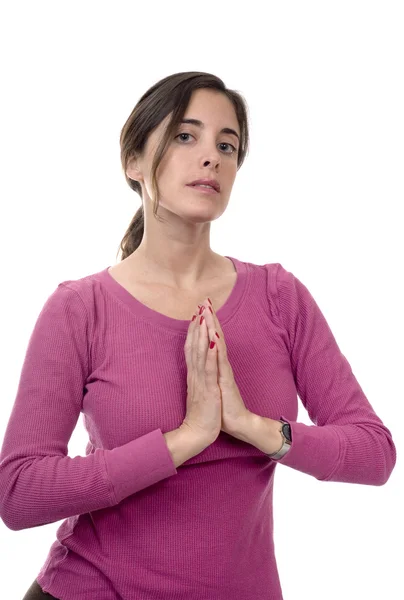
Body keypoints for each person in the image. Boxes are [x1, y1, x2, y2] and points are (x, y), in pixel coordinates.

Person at [0, 71, 397, 600]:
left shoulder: (279, 295)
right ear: (133, 162)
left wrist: (250, 426)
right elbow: (19, 492)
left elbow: (375, 453)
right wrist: (186, 439)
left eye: (226, 145)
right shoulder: (80, 308)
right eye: (186, 136)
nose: (211, 156)